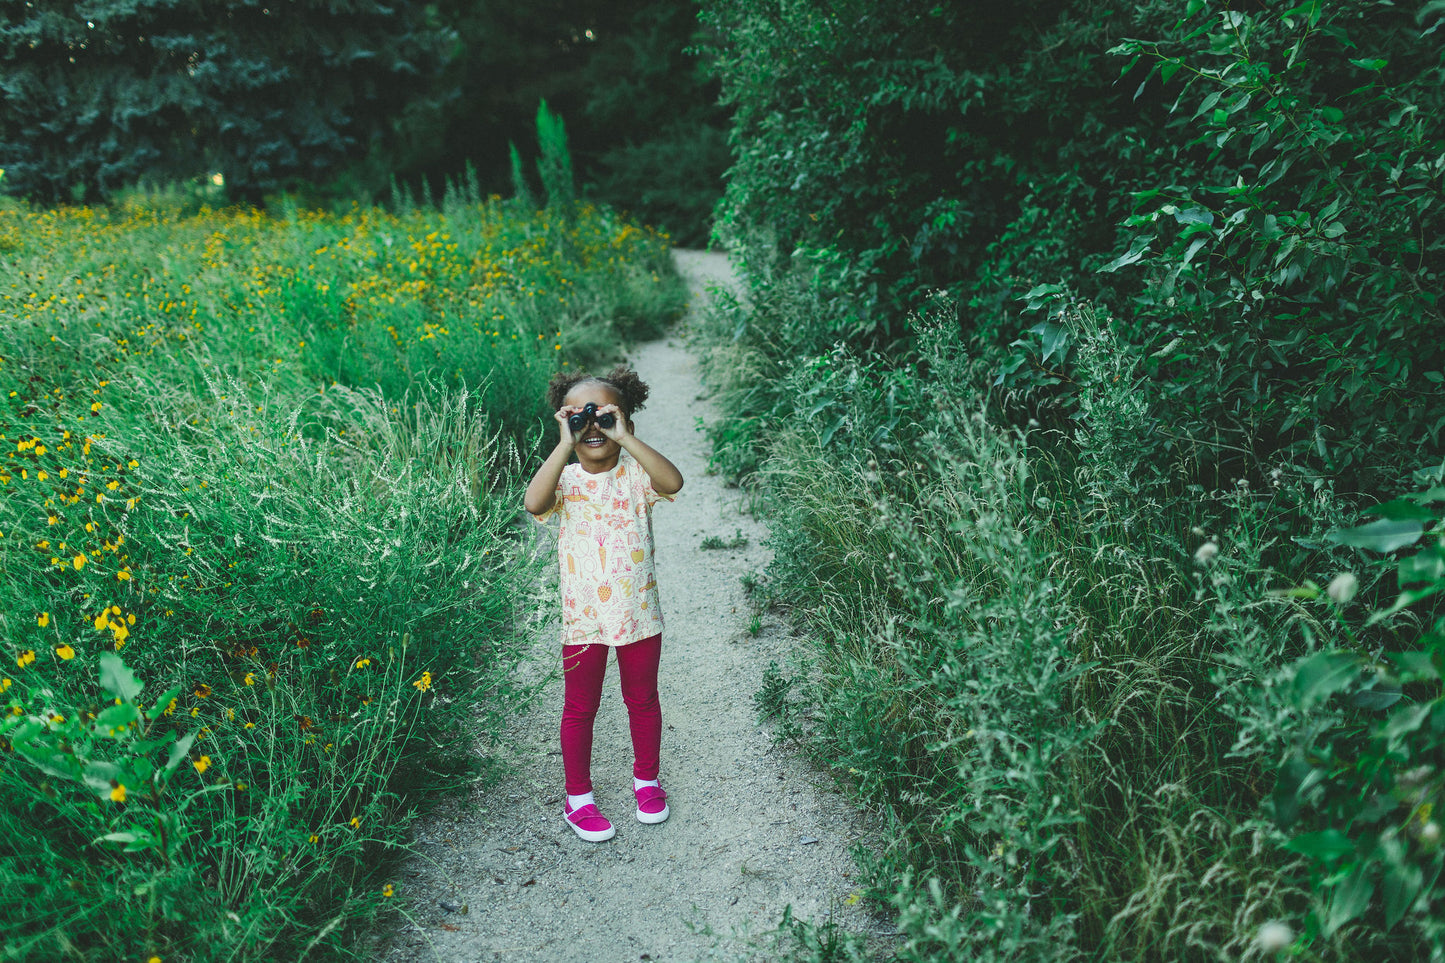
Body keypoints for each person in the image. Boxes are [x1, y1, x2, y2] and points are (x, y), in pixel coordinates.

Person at [524, 365, 684, 842]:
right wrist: (563, 442)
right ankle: (578, 798)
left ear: (625, 423)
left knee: (643, 701)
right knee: (580, 707)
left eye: (604, 416)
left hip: (637, 614)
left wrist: (625, 434)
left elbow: (672, 483)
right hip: (584, 621)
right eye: (581, 417)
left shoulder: (636, 477)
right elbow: (534, 503)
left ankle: (647, 782)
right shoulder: (567, 480)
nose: (592, 426)